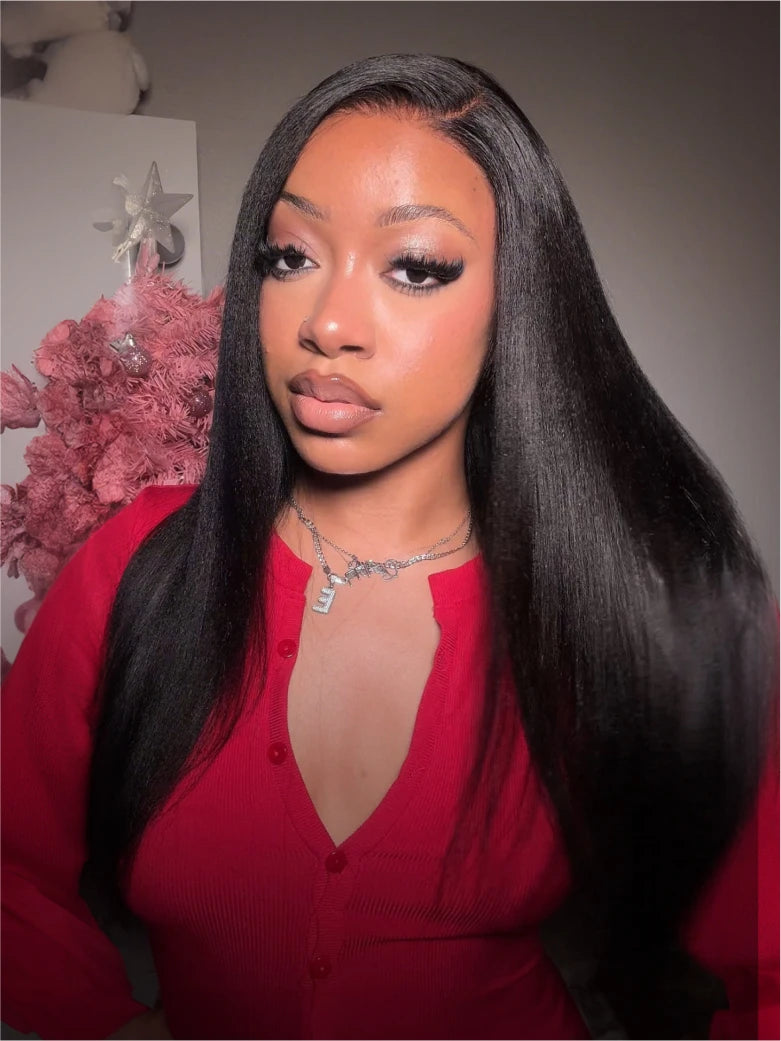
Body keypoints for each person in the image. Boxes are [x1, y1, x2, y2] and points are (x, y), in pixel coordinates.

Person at [2, 54, 777, 1041]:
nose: (326, 324)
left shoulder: (628, 603)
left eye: (414, 267)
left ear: (518, 301)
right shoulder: (139, 569)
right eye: (290, 257)